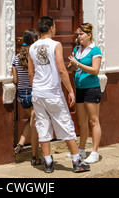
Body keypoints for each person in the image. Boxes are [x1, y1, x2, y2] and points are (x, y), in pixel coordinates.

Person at [28, 16, 90, 174]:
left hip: (38, 92)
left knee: (42, 126)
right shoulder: (56, 45)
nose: (55, 28)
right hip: (53, 93)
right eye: (54, 26)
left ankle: (48, 162)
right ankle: (76, 161)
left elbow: (30, 73)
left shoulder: (32, 47)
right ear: (50, 28)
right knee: (65, 124)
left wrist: (35, 87)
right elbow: (62, 69)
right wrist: (70, 90)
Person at [68, 22, 102, 164]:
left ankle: (94, 151)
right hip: (80, 88)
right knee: (82, 122)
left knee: (93, 121)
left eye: (81, 34)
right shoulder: (77, 49)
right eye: (78, 34)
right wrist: (72, 66)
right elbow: (74, 69)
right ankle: (81, 150)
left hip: (92, 89)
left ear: (89, 35)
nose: (79, 37)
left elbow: (95, 70)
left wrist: (78, 63)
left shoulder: (95, 50)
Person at [12, 29, 42, 166]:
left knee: (31, 120)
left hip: (22, 95)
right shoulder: (35, 57)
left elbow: (15, 79)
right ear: (35, 41)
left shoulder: (16, 58)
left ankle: (20, 144)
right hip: (33, 93)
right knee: (35, 124)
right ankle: (35, 156)